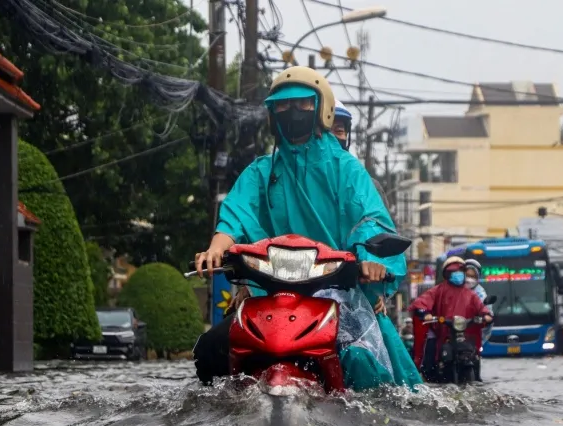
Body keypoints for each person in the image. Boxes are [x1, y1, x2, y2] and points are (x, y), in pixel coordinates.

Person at [191, 66, 422, 392]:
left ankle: (366, 424)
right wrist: (217, 247)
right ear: (272, 114)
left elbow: (369, 220)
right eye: (283, 106)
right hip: (270, 291)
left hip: (336, 291)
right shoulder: (262, 170)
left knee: (361, 359)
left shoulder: (346, 169)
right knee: (210, 349)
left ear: (321, 109)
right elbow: (235, 215)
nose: (293, 112)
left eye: (302, 104)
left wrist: (371, 261)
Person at [408, 256, 492, 382]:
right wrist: (425, 313)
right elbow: (422, 302)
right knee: (429, 358)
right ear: (447, 274)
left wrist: (486, 315)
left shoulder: (471, 294)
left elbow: (482, 308)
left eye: (460, 271)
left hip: (464, 333)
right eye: (454, 271)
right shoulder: (438, 290)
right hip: (441, 331)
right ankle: (429, 376)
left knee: (474, 355)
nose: (458, 274)